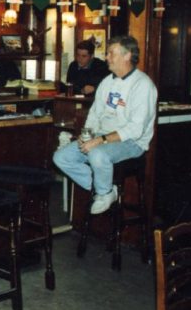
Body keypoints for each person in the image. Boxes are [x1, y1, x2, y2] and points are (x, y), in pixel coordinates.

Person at [53, 35, 157, 214]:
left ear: (127, 55)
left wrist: (100, 140)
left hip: (132, 143)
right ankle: (106, 187)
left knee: (97, 154)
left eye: (111, 53)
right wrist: (88, 134)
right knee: (61, 157)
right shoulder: (107, 82)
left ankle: (104, 192)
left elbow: (135, 129)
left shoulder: (143, 85)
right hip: (102, 137)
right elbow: (95, 113)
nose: (107, 57)